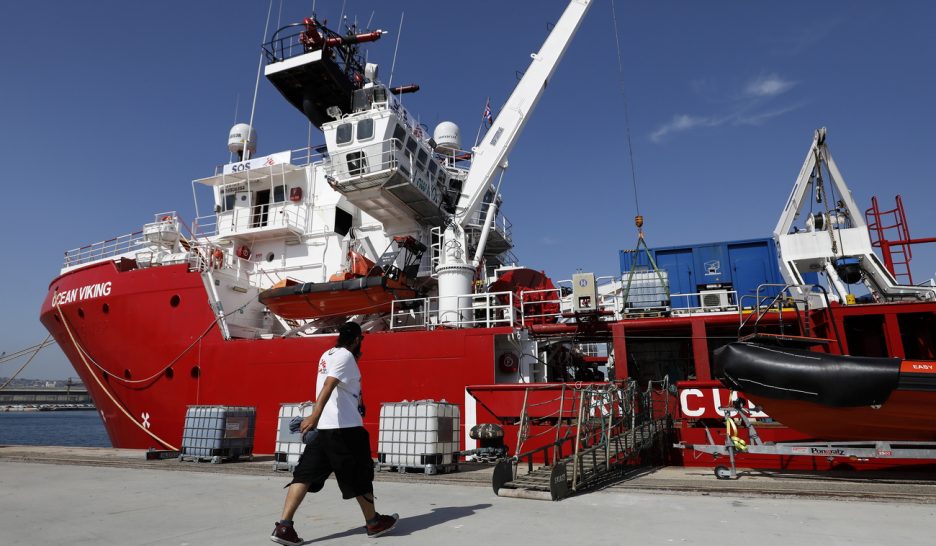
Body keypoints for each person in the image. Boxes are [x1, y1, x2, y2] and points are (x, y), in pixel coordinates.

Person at [271, 321, 398, 545]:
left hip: (324, 431)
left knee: (304, 476)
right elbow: (329, 385)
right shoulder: (346, 357)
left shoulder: (327, 354)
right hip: (344, 430)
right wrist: (314, 416)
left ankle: (284, 527)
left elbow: (337, 387)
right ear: (357, 339)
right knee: (360, 475)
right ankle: (373, 523)